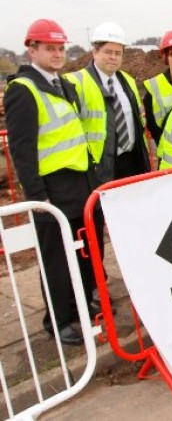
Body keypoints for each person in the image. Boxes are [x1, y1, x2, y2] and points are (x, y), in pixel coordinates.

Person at [4, 19, 99, 345]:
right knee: (56, 259)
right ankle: (58, 322)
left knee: (84, 252)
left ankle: (82, 308)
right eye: (50, 48)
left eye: (60, 48)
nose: (58, 54)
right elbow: (22, 149)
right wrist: (38, 197)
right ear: (32, 50)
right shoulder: (23, 90)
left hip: (79, 184)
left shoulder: (64, 85)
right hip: (52, 190)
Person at [64, 21, 151, 185]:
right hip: (100, 167)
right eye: (108, 52)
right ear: (94, 52)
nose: (113, 57)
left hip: (132, 160)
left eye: (118, 53)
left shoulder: (128, 81)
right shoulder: (76, 83)